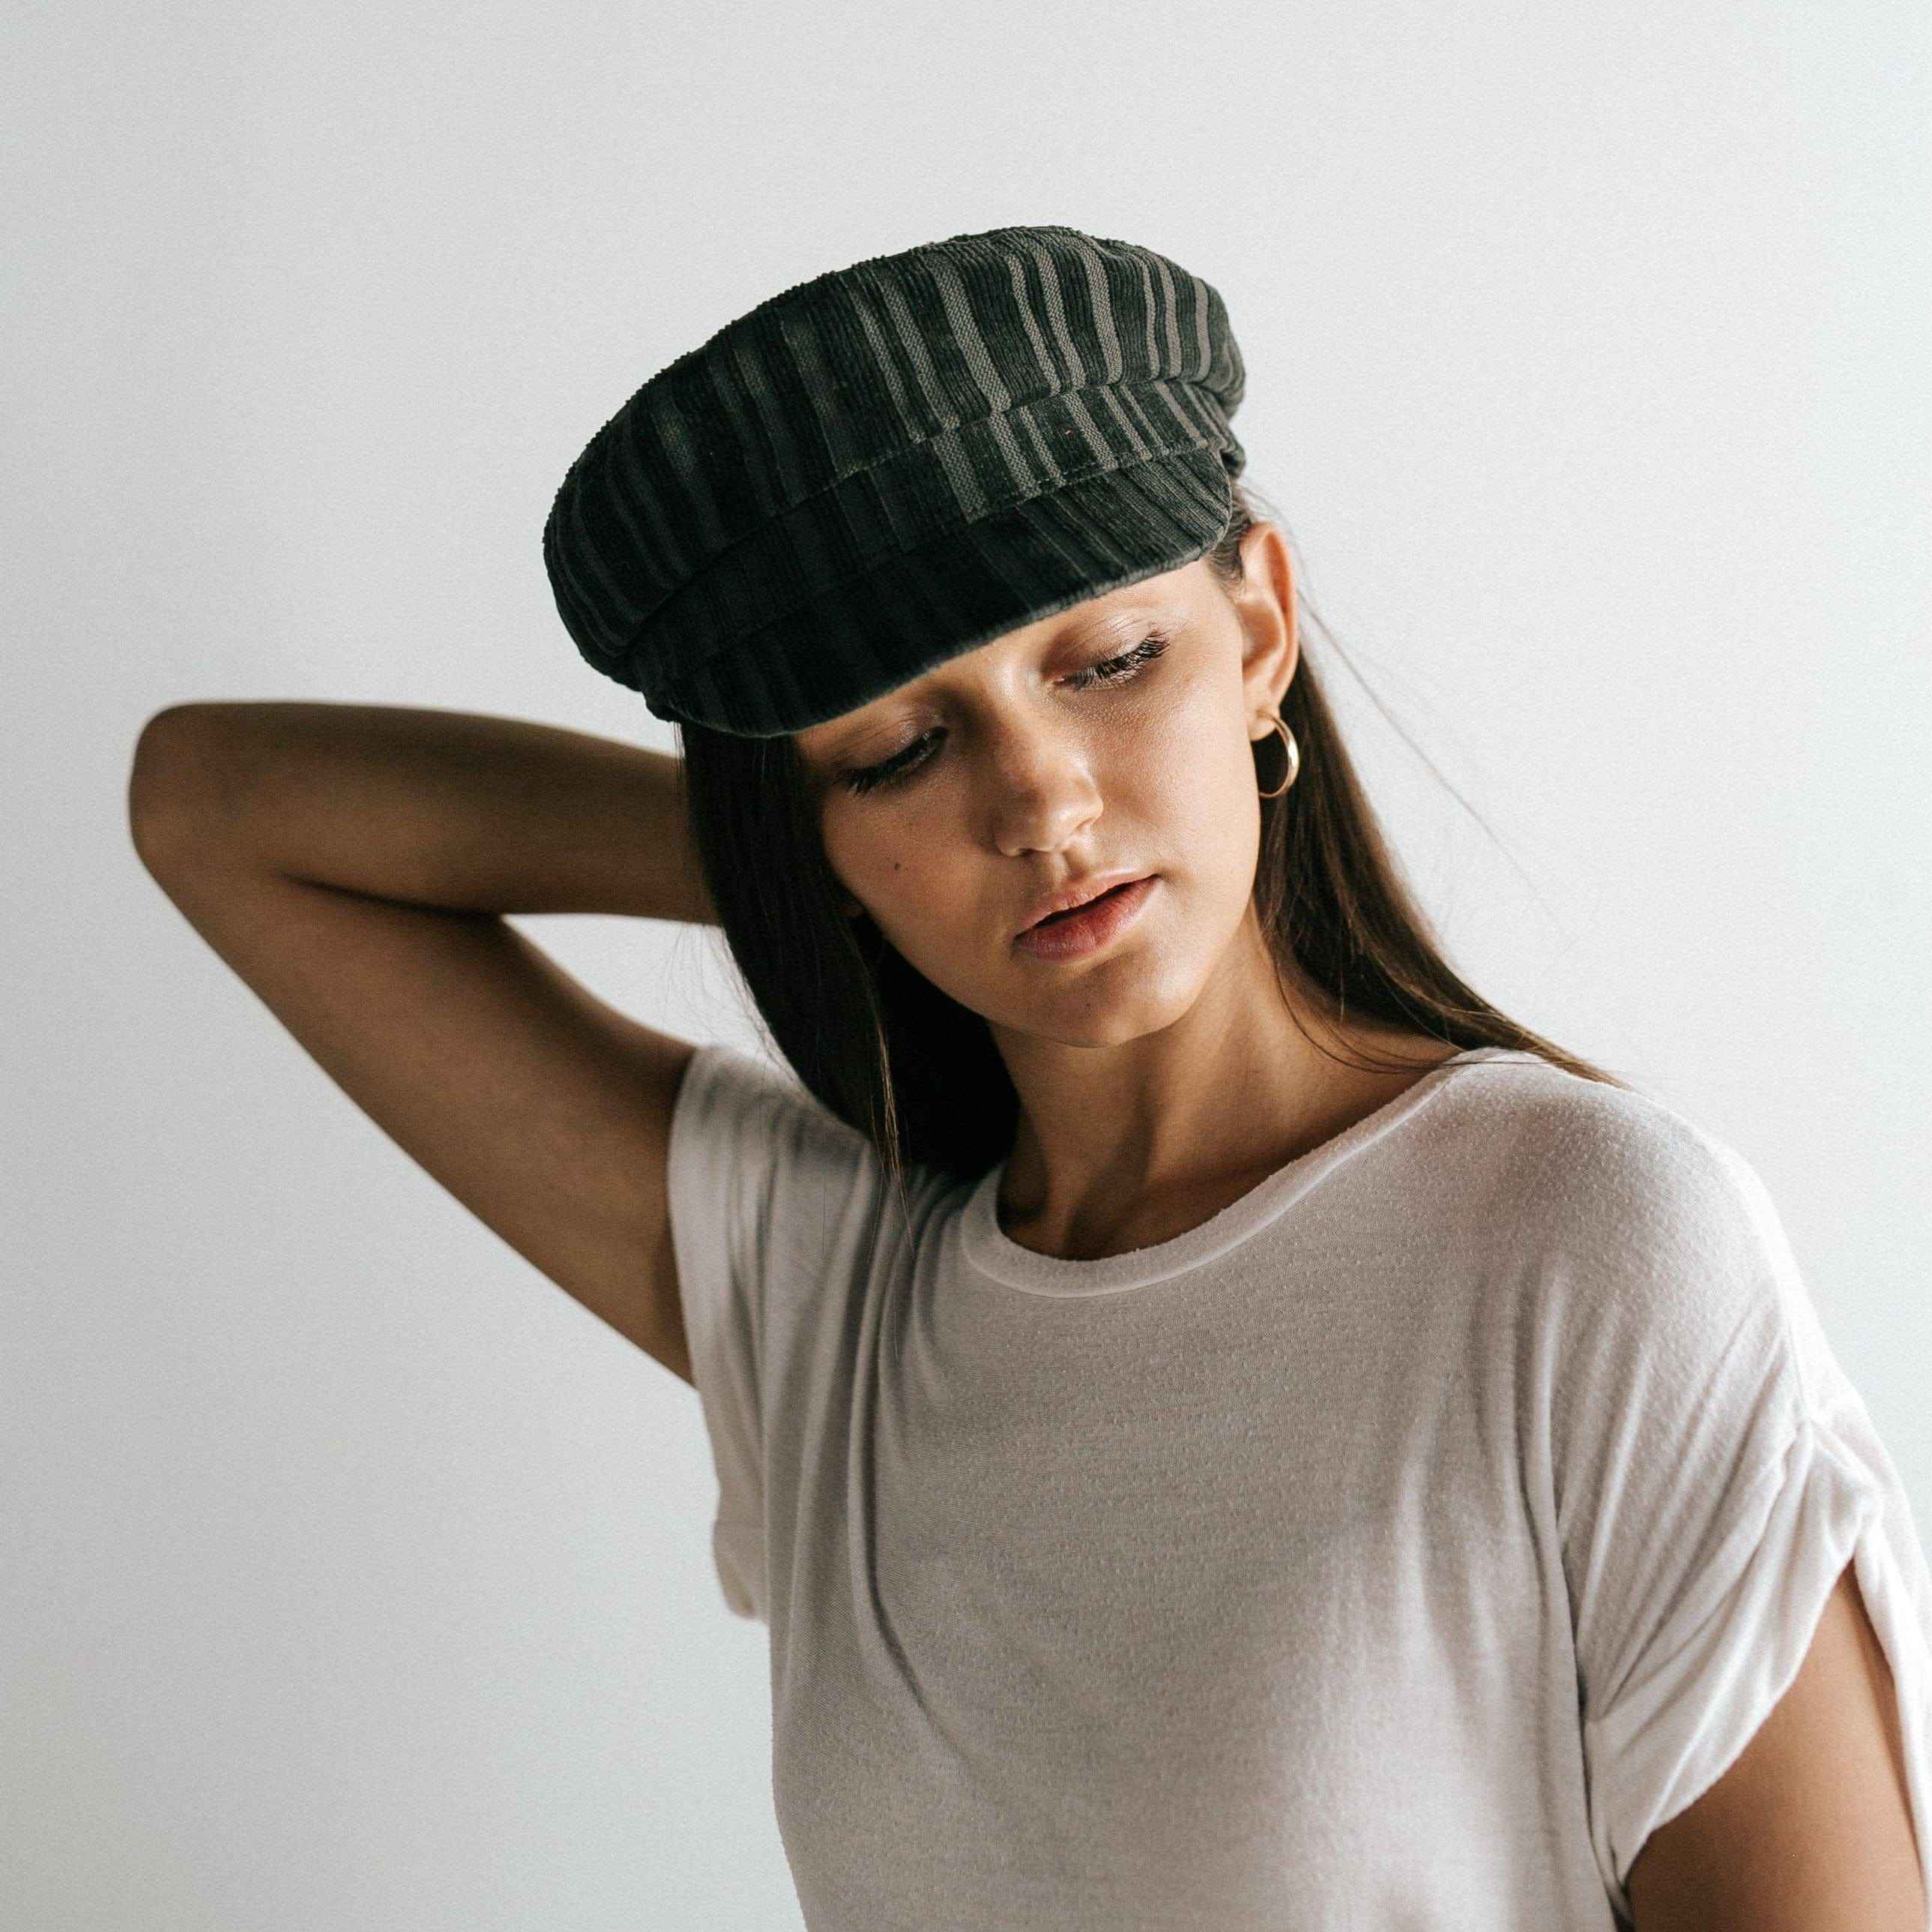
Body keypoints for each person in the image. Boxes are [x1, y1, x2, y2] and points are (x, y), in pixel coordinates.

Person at [131, 225, 1931, 1930]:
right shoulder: (837, 1288)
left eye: (1109, 659)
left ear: (1259, 630)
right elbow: (217, 805)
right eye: (906, 744)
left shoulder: (1576, 1240)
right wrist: (802, 875)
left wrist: (871, 837)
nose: (1038, 806)